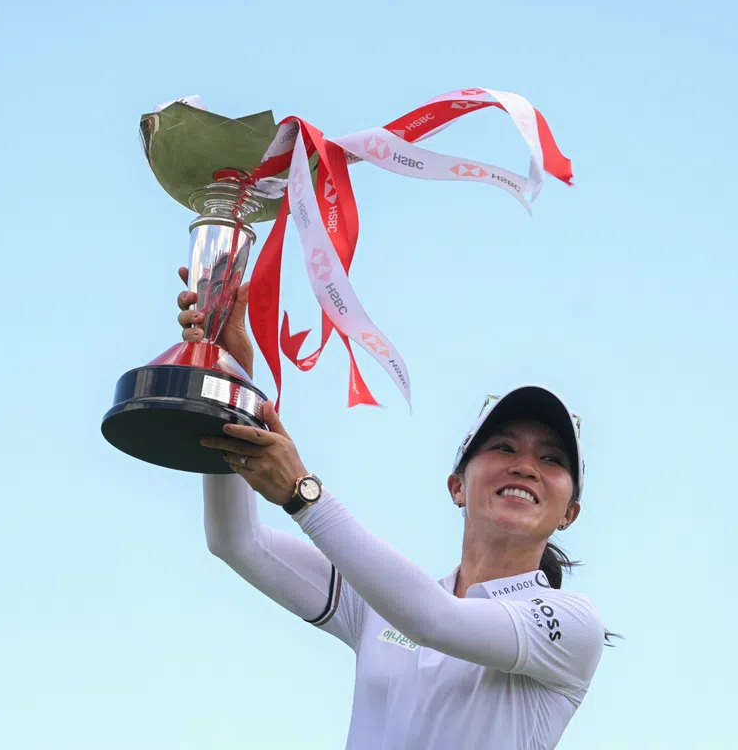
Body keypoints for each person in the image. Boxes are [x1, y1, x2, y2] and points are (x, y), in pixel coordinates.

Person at [177, 269, 612, 749]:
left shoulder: (571, 622)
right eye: (504, 448)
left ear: (569, 513)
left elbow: (433, 621)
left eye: (551, 459)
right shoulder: (382, 604)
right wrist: (231, 392)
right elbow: (237, 541)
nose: (526, 467)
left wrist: (304, 494)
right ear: (457, 487)